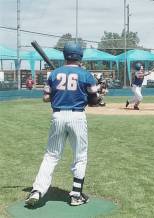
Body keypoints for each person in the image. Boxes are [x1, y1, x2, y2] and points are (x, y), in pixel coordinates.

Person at [25, 41, 99, 207]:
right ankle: (76, 195)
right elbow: (93, 101)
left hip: (58, 116)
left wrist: (59, 93)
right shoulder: (86, 75)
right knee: (80, 157)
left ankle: (37, 190)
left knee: (51, 155)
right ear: (80, 56)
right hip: (77, 117)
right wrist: (97, 97)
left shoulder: (54, 74)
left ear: (65, 55)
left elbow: (45, 98)